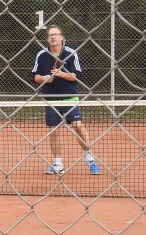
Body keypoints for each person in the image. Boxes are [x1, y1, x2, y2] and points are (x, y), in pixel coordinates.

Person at [31, 25, 100, 175]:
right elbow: (35, 76)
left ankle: (90, 159)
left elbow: (76, 76)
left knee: (77, 126)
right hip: (51, 99)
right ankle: (58, 164)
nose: (53, 37)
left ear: (62, 37)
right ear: (47, 38)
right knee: (53, 130)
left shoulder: (71, 53)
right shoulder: (41, 55)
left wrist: (61, 74)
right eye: (50, 35)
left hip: (70, 97)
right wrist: (44, 78)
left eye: (56, 34)